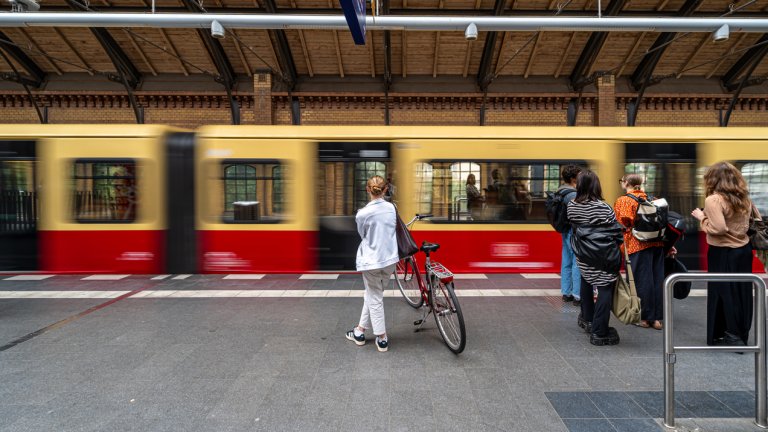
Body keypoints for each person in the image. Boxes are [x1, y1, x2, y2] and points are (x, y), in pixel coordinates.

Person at [691, 161, 754, 348]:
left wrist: (701, 217)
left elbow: (718, 228)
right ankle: (740, 333)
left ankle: (730, 335)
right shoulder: (743, 198)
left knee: (724, 292)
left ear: (713, 179)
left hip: (722, 251)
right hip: (743, 250)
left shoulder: (714, 200)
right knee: (741, 292)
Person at [346, 175, 399, 352]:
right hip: (389, 260)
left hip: (371, 261)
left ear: (368, 190)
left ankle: (382, 338)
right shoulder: (392, 208)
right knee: (372, 294)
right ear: (385, 190)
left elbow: (363, 234)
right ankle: (359, 331)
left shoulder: (362, 214)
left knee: (374, 297)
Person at [567, 170, 621, 346]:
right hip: (603, 254)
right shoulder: (604, 207)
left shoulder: (572, 206)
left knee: (586, 281)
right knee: (605, 288)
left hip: (584, 253)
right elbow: (614, 228)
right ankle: (599, 331)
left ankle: (587, 319)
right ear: (596, 185)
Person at [614, 174, 665, 330]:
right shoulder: (652, 199)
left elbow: (621, 223)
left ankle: (643, 318)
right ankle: (656, 319)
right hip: (657, 243)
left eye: (621, 181)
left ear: (627, 183)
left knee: (639, 281)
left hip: (637, 244)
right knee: (657, 280)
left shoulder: (624, 200)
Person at [558, 165, 582, 305]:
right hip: (573, 231)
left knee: (566, 261)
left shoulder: (560, 191)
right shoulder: (572, 194)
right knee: (577, 262)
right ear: (573, 178)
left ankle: (566, 292)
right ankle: (578, 295)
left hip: (564, 230)